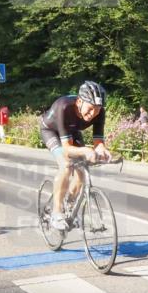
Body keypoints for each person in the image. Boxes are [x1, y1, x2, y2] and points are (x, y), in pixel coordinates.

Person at [39, 81, 113, 231]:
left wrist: (103, 150)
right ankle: (57, 212)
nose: (93, 114)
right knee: (66, 166)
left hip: (71, 130)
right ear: (79, 102)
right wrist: (86, 151)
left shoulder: (100, 113)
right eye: (90, 108)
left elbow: (98, 141)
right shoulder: (64, 107)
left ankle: (70, 206)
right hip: (51, 131)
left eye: (97, 110)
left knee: (81, 173)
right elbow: (66, 149)